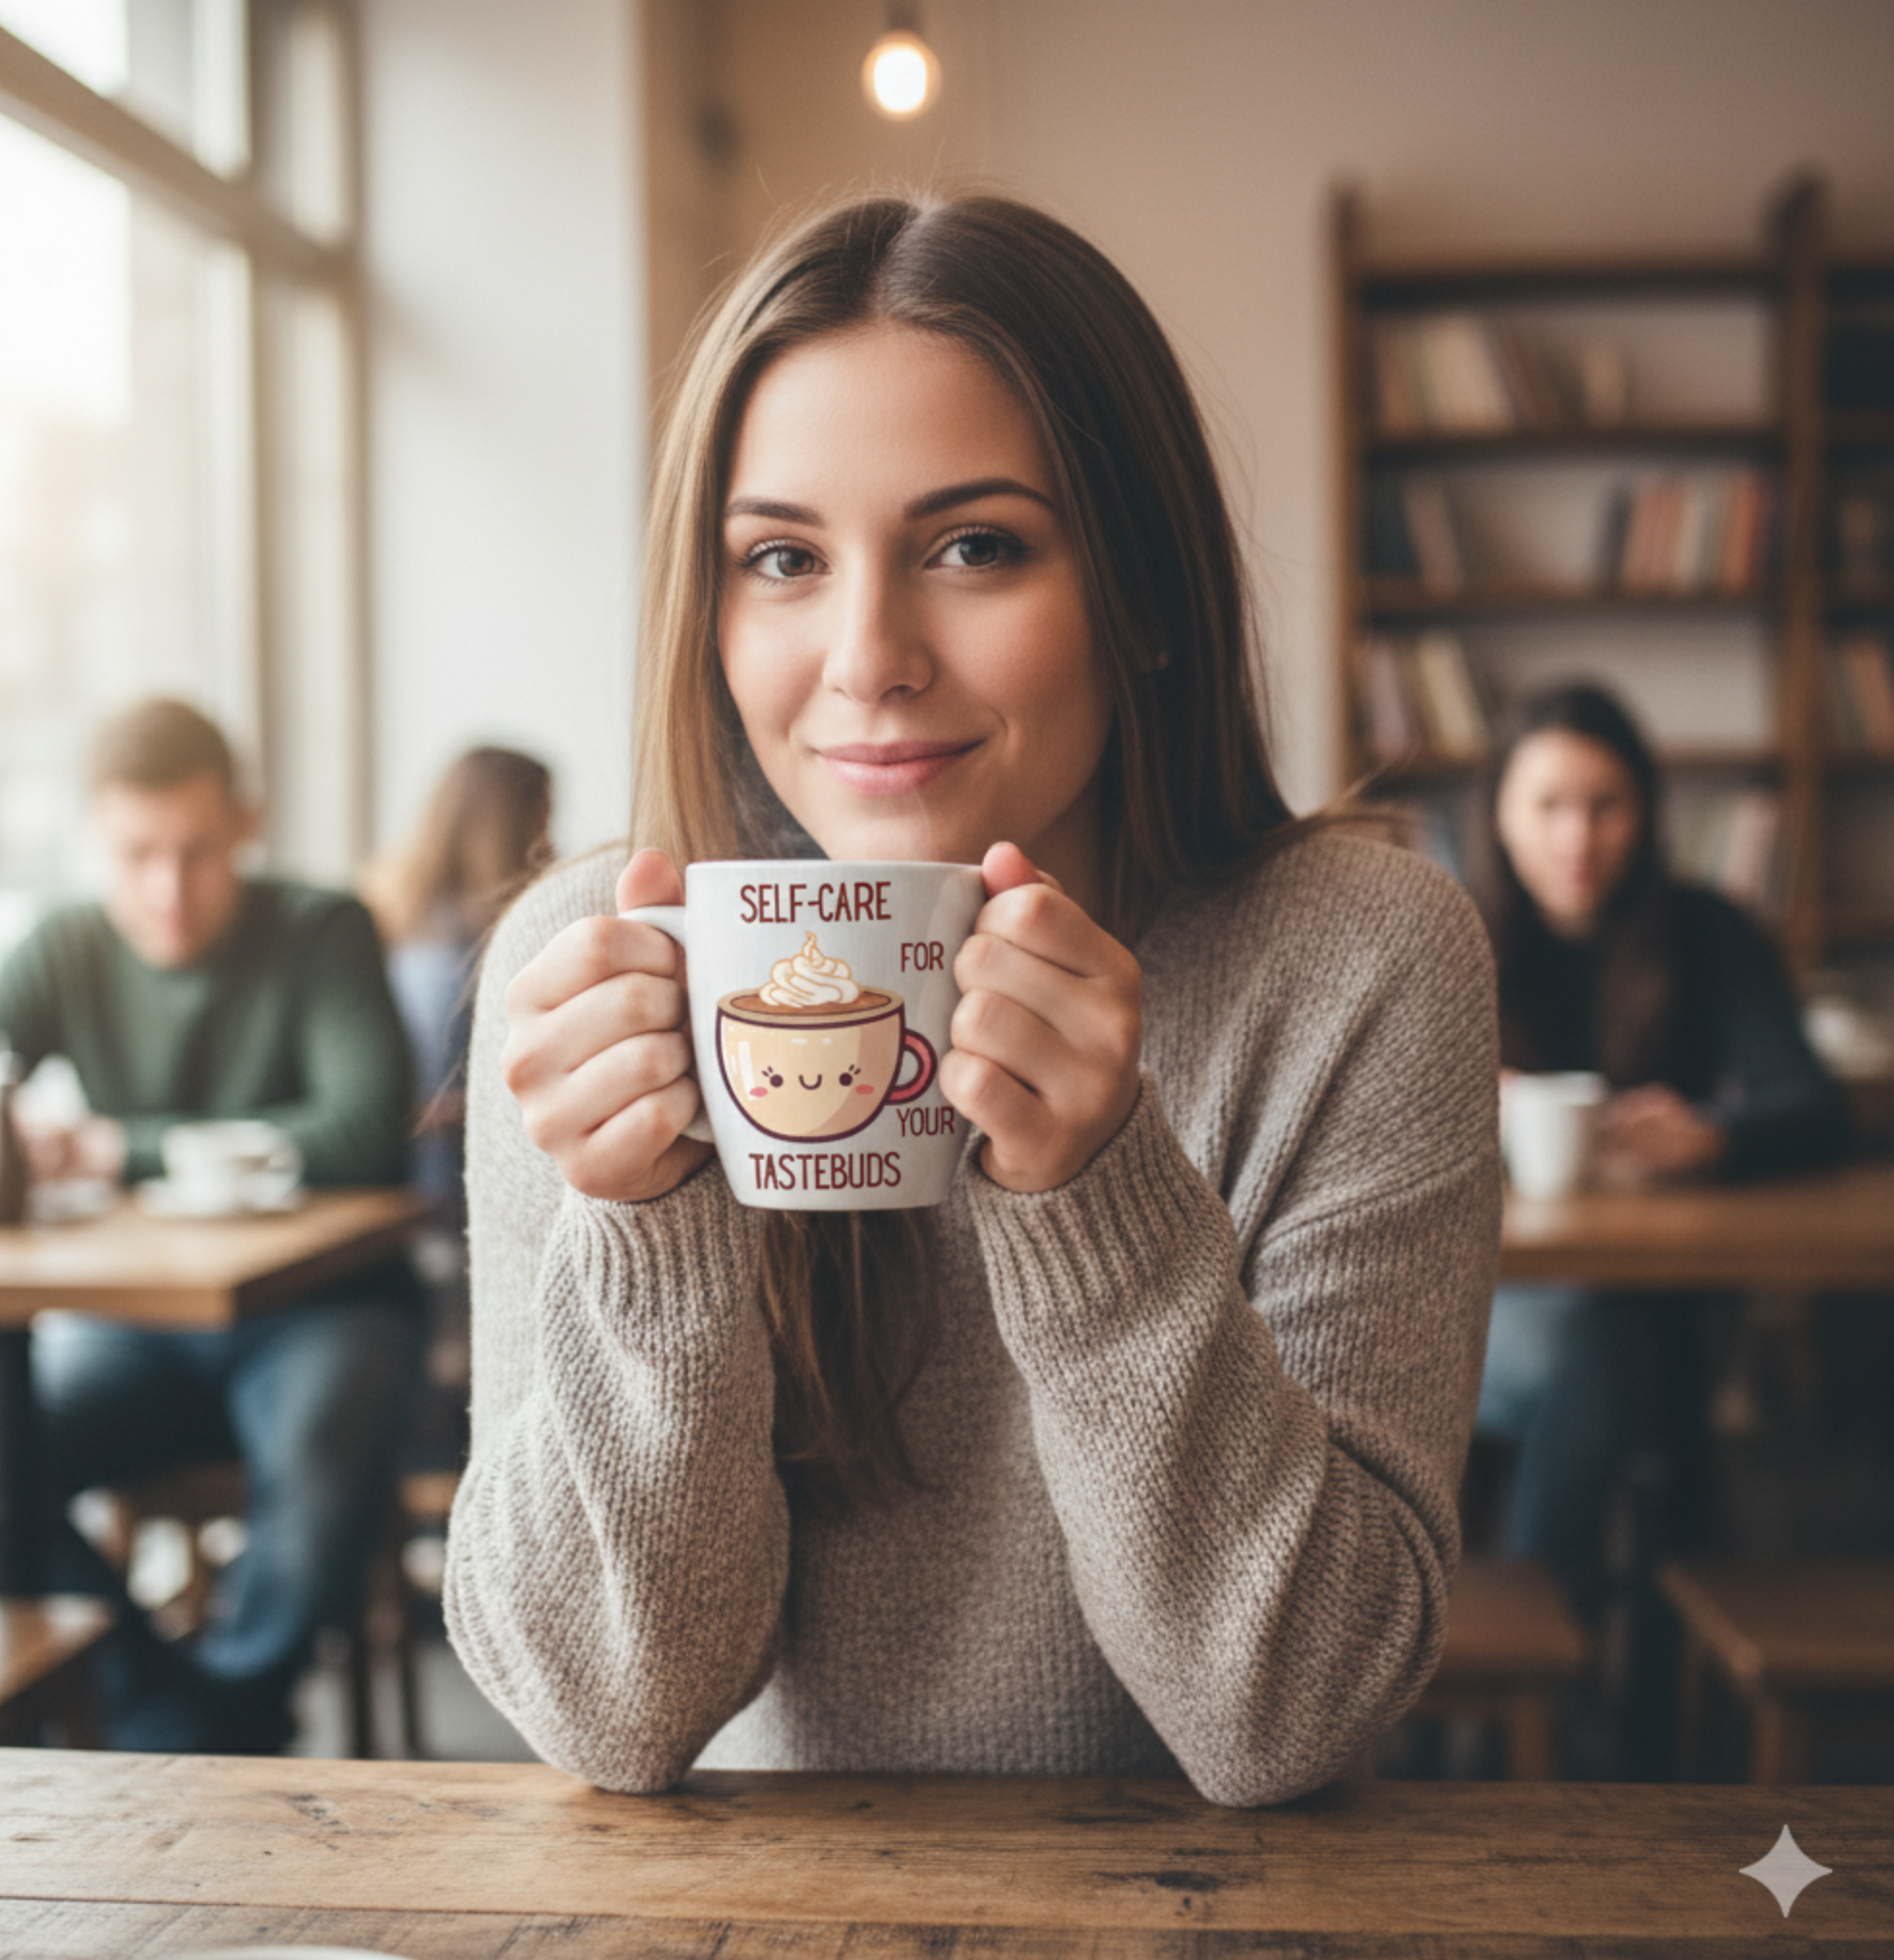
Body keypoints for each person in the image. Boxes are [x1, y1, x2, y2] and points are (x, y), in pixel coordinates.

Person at [445, 192, 1502, 1808]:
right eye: (782, 559)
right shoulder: (591, 967)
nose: (868, 655)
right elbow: (606, 1714)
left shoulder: (1360, 963)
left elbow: (1289, 1716)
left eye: (974, 548)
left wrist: (1099, 1198)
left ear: (1145, 594)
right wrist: (645, 1227)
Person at [0, 698, 422, 1753]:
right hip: (143, 1328)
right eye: (136, 855)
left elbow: (366, 1131)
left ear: (246, 823)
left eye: (196, 852)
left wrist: (118, 1148)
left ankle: (219, 1721)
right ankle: (181, 1726)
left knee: (320, 1472)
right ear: (94, 839)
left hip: (321, 1307)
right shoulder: (65, 945)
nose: (168, 889)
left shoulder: (322, 929)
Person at [1472, 682, 1850, 1614]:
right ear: (1500, 818)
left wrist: (1713, 1136)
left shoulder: (1705, 932)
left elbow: (1816, 1107)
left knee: (1613, 1343)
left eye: (1605, 805)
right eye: (1548, 806)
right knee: (1606, 1352)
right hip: (1492, 1309)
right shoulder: (1455, 938)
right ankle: (1592, 1632)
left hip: (1658, 1301)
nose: (1578, 836)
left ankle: (1534, 1641)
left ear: (1645, 811)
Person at [365, 746, 555, 1223]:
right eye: (543, 821)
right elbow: (438, 1098)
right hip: (450, 1193)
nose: (551, 842)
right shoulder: (467, 954)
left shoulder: (396, 922)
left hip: (399, 1187)